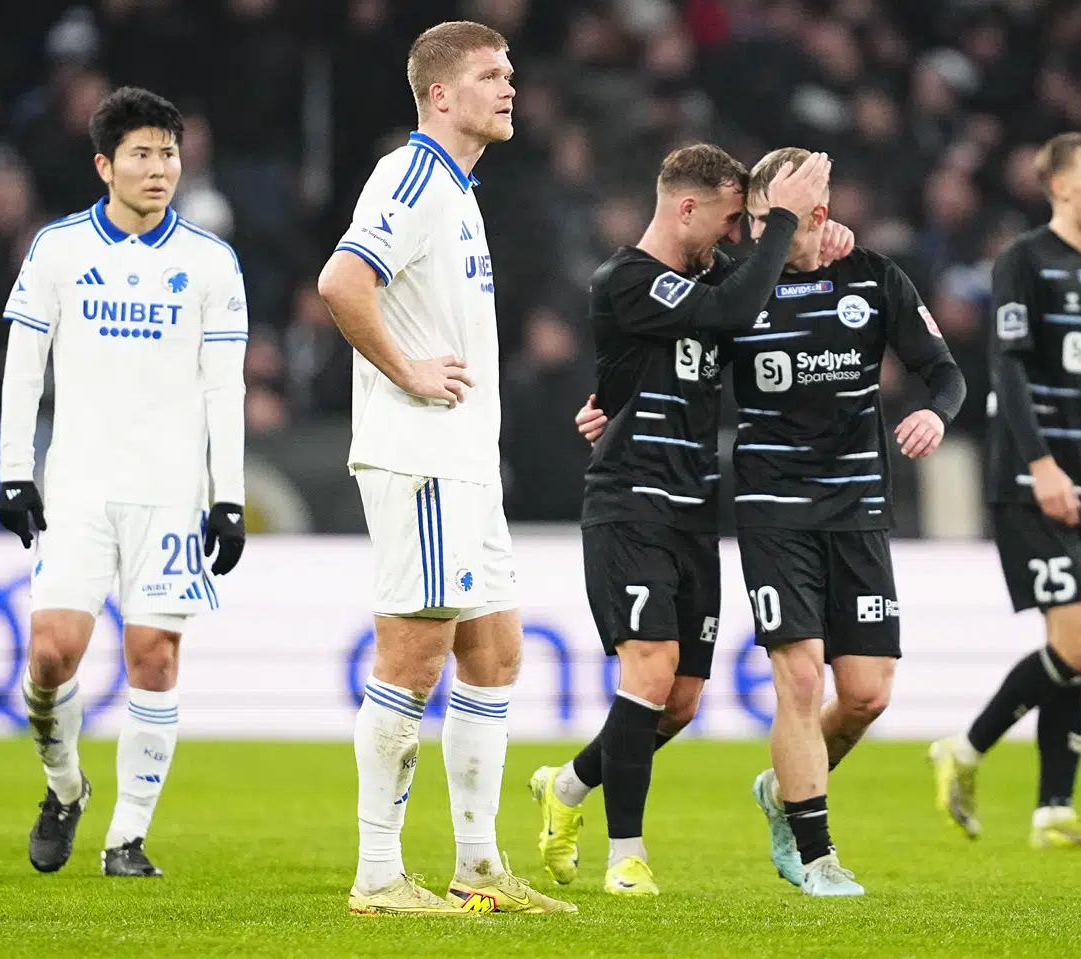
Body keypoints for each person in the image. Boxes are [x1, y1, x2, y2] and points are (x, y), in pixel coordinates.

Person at [315, 20, 573, 917]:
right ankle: (378, 873)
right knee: (414, 656)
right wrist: (408, 369)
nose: (511, 87)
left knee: (496, 652)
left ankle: (477, 863)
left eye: (512, 71)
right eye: (491, 75)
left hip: (466, 462)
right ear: (440, 95)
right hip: (420, 456)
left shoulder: (461, 190)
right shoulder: (414, 175)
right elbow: (343, 281)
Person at [526, 144, 832, 897]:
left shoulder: (713, 275)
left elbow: (771, 284)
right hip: (630, 501)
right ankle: (626, 853)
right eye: (730, 221)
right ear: (686, 206)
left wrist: (823, 238)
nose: (736, 238)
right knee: (651, 667)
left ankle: (565, 786)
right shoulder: (627, 279)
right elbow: (735, 308)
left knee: (682, 699)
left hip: (696, 508)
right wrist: (782, 219)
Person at [0, 86, 247, 879]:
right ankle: (66, 787)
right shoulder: (59, 249)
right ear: (105, 163)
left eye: (168, 153)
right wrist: (14, 470)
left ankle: (126, 838)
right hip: (77, 486)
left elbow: (224, 388)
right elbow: (23, 362)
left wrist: (228, 495)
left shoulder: (210, 262)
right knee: (50, 656)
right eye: (141, 153)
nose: (158, 167)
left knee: (155, 658)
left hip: (170, 493)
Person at [731, 148, 966, 895]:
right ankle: (815, 849)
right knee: (798, 675)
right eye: (756, 219)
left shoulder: (872, 277)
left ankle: (781, 788)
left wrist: (934, 409)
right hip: (773, 506)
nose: (758, 233)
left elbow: (945, 371)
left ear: (820, 218)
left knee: (865, 694)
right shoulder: (736, 286)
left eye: (776, 221)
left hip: (857, 503)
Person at [929, 127, 1081, 850]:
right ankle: (966, 745)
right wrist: (1040, 464)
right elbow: (1007, 367)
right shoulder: (1022, 259)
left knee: (1072, 643)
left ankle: (1053, 811)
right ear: (1061, 187)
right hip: (1031, 478)